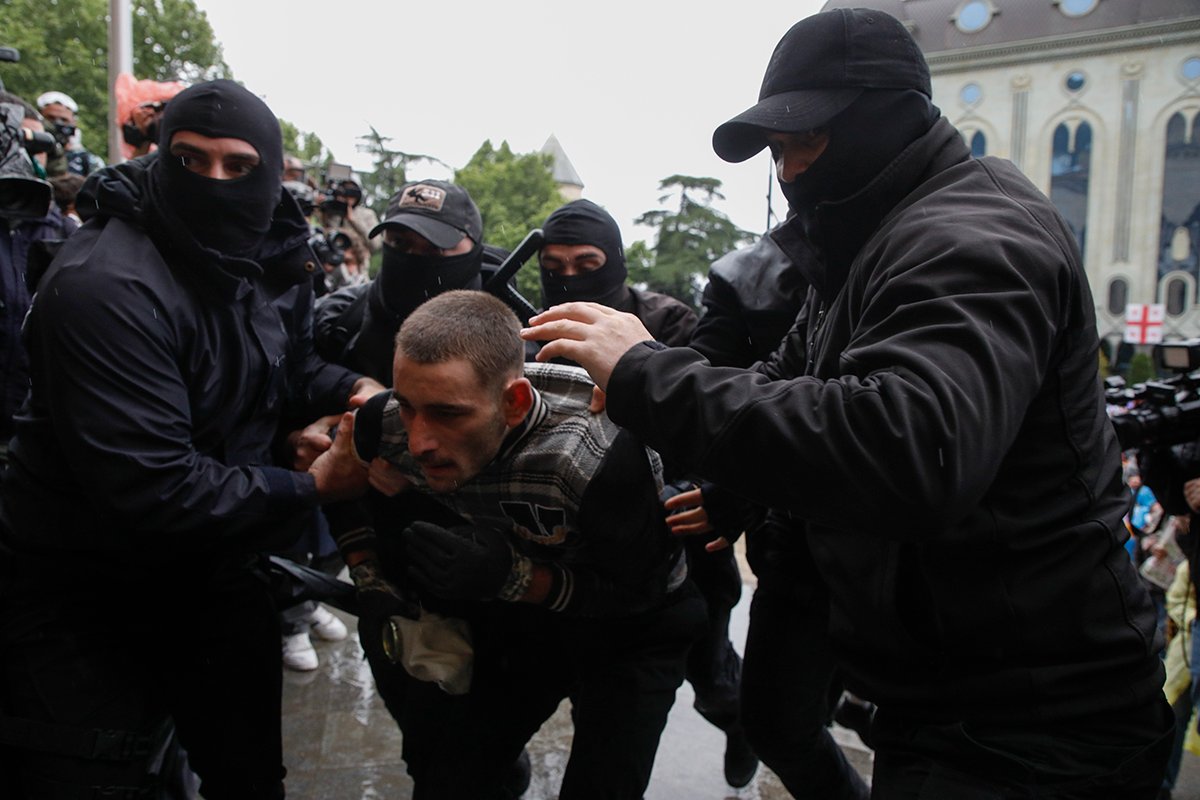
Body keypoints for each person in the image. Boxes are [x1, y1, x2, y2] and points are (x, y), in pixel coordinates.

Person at [523, 7, 1172, 797]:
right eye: (777, 151)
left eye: (807, 140)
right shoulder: (866, 243)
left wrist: (647, 372)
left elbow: (912, 449)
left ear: (889, 119)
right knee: (779, 723)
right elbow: (785, 379)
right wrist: (705, 457)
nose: (790, 172)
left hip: (1037, 717)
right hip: (947, 687)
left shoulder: (971, 235)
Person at [0, 79, 383, 798]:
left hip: (215, 566)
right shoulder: (105, 283)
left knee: (247, 775)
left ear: (267, 172)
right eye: (191, 160)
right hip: (85, 589)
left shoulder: (273, 248)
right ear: (159, 158)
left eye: (239, 166)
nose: (215, 182)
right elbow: (155, 485)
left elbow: (290, 364)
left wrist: (356, 390)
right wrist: (311, 485)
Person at [325, 289, 705, 799]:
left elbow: (640, 593)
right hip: (526, 617)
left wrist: (516, 578)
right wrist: (369, 579)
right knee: (450, 781)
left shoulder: (594, 457)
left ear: (514, 402)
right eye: (408, 406)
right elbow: (336, 489)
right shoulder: (383, 422)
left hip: (636, 629)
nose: (418, 441)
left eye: (447, 414)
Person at [538, 197, 759, 788]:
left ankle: (738, 721)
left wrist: (700, 491)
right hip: (590, 552)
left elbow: (712, 414)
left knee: (711, 674)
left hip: (679, 539)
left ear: (614, 261)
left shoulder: (668, 323)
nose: (569, 277)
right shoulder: (536, 325)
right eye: (554, 266)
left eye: (586, 263)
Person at [314, 179, 492, 383]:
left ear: (474, 250)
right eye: (399, 242)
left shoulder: (506, 335)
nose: (413, 257)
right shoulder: (339, 315)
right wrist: (349, 386)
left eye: (435, 248)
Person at [0, 91, 76, 462]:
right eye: (11, 142)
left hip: (28, 438)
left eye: (35, 147)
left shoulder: (63, 232)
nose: (25, 158)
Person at [35, 90, 104, 177]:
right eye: (50, 118)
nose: (57, 123)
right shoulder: (29, 152)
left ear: (74, 123)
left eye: (64, 120)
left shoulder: (87, 161)